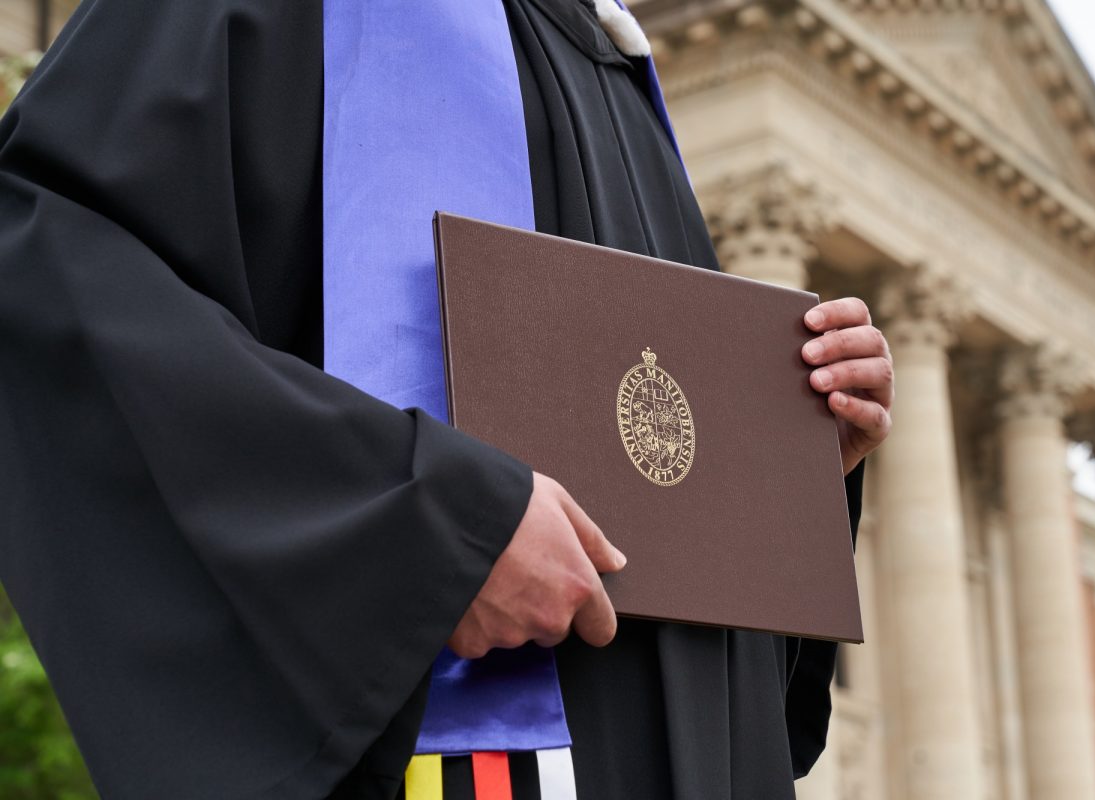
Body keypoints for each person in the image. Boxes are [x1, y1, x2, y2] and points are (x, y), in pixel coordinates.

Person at [0, 0, 895, 798]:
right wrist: (425, 525)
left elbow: (641, 436)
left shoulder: (613, 63)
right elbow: (40, 270)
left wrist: (781, 465)